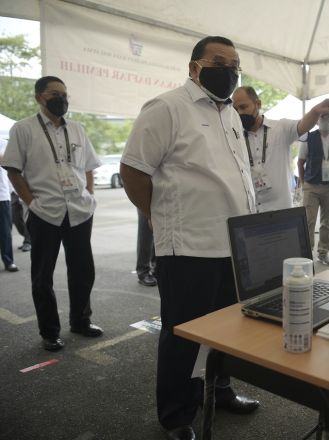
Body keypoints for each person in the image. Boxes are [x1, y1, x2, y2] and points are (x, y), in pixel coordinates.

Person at [120, 36, 260, 440]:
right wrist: (156, 216)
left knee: (228, 329)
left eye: (235, 64)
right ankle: (177, 415)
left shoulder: (230, 113)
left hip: (233, 246)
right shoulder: (166, 108)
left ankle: (220, 390)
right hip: (189, 247)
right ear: (194, 67)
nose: (230, 70)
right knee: (183, 335)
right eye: (220, 62)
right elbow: (134, 171)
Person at [1, 76, 103, 352]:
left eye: (65, 94)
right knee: (42, 275)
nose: (62, 99)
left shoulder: (78, 129)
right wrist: (31, 203)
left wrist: (89, 194)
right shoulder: (23, 129)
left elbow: (90, 166)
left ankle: (81, 321)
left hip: (79, 211)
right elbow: (12, 169)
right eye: (55, 94)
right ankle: (50, 331)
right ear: (39, 98)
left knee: (83, 270)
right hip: (45, 212)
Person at [231, 86, 329, 212]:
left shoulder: (280, 128)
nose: (239, 113)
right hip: (250, 212)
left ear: (258, 104)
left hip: (281, 211)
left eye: (243, 107)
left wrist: (315, 112)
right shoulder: (235, 137)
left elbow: (303, 125)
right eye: (235, 109)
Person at [297, 113, 329, 266]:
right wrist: (302, 182)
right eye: (323, 119)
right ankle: (307, 254)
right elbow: (300, 162)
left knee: (327, 221)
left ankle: (323, 252)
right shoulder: (308, 138)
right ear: (318, 121)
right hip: (311, 186)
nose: (326, 121)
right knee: (308, 221)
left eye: (328, 119)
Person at [0, 138, 18, 272]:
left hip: (2, 195)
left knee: (5, 231)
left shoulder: (3, 142)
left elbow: (6, 161)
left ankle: (8, 261)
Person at [136, 209, 156, 286]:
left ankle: (156, 267)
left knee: (160, 230)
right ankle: (143, 271)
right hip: (146, 198)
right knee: (145, 228)